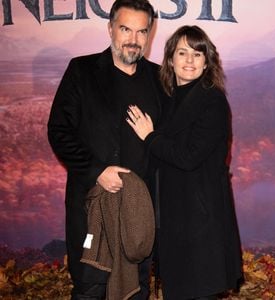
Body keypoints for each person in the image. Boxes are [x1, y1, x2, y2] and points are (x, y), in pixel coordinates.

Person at [47, 0, 162, 299]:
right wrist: (97, 171)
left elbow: (173, 142)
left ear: (150, 34)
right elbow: (59, 131)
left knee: (137, 289)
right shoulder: (82, 71)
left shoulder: (160, 79)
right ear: (110, 28)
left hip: (141, 214)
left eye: (141, 31)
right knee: (90, 286)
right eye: (125, 29)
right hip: (91, 206)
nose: (133, 40)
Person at [127, 25, 243, 300]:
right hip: (174, 215)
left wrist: (149, 137)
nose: (189, 61)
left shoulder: (212, 100)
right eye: (182, 53)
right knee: (178, 290)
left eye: (197, 54)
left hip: (200, 218)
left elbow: (188, 157)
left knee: (197, 290)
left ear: (207, 62)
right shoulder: (168, 98)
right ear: (170, 59)